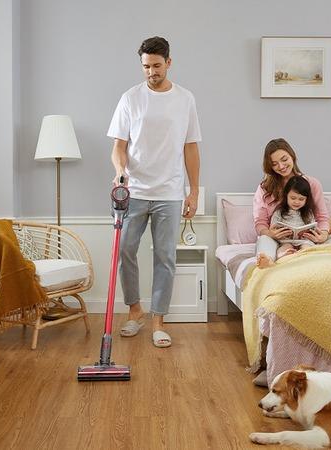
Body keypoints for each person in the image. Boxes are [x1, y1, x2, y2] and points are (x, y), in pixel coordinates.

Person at [107, 36, 201, 348]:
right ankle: (135, 311)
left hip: (170, 193)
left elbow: (191, 148)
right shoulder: (130, 98)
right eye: (146, 66)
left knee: (165, 256)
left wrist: (194, 191)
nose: (151, 72)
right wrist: (121, 172)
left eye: (157, 66)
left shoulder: (185, 99)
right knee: (125, 251)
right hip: (133, 191)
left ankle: (159, 321)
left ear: (169, 62)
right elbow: (118, 147)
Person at [254, 138, 331, 267]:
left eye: (284, 159)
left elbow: (321, 217)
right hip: (279, 242)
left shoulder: (312, 184)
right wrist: (269, 233)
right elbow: (260, 223)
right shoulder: (264, 188)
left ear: (292, 156)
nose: (281, 166)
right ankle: (269, 261)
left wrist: (323, 235)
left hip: (308, 241)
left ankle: (306, 253)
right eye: (274, 164)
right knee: (264, 240)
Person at [257, 175, 317, 268]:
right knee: (284, 250)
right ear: (286, 196)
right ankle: (279, 260)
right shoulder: (279, 212)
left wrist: (312, 232)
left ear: (306, 199)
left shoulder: (308, 213)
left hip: (304, 241)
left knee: (307, 249)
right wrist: (275, 232)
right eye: (293, 198)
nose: (297, 202)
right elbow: (273, 228)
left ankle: (301, 258)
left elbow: (312, 226)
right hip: (286, 241)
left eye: (301, 199)